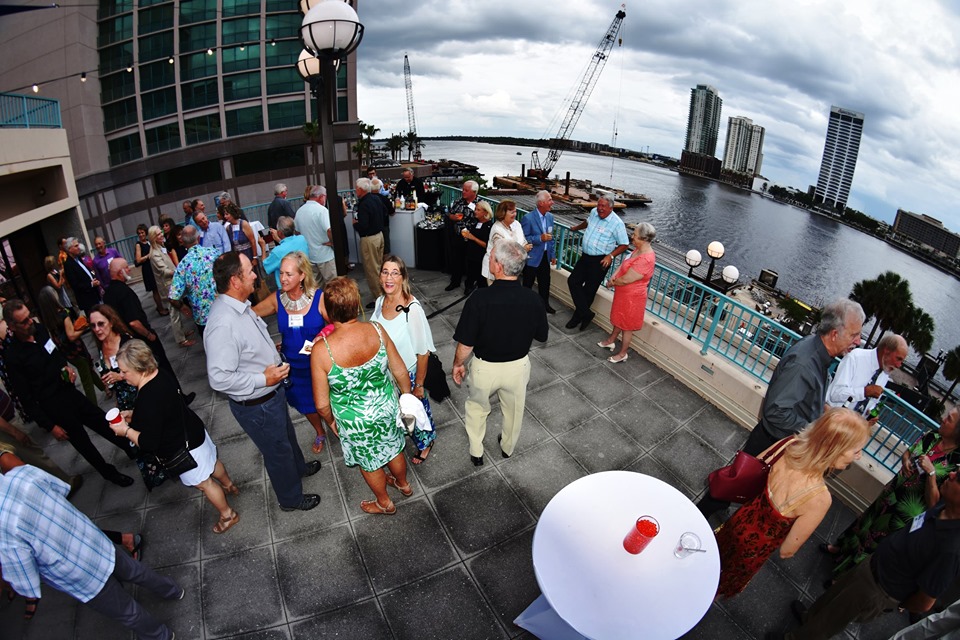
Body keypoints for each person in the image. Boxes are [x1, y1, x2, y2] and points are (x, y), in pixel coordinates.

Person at [697, 298, 865, 518]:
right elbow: (776, 412)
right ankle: (694, 519)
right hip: (771, 443)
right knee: (728, 490)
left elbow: (801, 397)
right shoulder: (805, 364)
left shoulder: (817, 351)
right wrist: (816, 431)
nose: (858, 341)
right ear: (834, 334)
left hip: (777, 440)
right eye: (854, 335)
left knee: (735, 489)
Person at [0, 452, 183, 637]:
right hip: (94, 540)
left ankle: (162, 635)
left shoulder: (4, 533)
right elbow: (61, 488)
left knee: (128, 612)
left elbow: (26, 579)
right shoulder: (23, 475)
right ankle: (173, 591)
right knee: (136, 571)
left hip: (80, 575)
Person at [777, 470, 960, 640]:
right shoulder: (944, 507)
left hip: (878, 589)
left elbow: (924, 602)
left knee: (830, 620)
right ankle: (808, 618)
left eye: (958, 478)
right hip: (872, 565)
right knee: (832, 597)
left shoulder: (951, 549)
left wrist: (890, 601)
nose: (951, 474)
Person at [205, 251, 321, 511]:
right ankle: (290, 499)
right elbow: (219, 378)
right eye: (249, 272)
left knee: (286, 437)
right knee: (277, 452)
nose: (256, 276)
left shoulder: (240, 305)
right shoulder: (223, 323)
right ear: (235, 281)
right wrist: (263, 378)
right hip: (258, 405)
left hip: (271, 395)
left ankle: (298, 468)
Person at [715, 408, 870, 598]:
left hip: (738, 521)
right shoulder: (819, 499)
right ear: (834, 448)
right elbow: (787, 551)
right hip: (751, 550)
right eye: (856, 450)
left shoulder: (790, 443)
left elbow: (758, 462)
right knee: (716, 584)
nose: (859, 456)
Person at [112, 340, 240, 534]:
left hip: (184, 449)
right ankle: (229, 485)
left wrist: (126, 431)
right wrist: (134, 415)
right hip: (195, 432)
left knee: (204, 484)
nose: (121, 376)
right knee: (212, 462)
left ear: (139, 369)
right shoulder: (160, 373)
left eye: (124, 371)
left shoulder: (147, 398)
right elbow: (163, 411)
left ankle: (228, 515)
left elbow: (149, 442)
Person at [1, 299, 134, 486]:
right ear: (12, 326)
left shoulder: (39, 330)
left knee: (100, 420)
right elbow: (26, 400)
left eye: (29, 316)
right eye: (24, 322)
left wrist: (65, 366)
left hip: (69, 391)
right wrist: (50, 426)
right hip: (53, 406)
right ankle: (109, 473)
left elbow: (55, 353)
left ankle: (128, 447)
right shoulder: (13, 357)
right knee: (83, 443)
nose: (30, 322)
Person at [311, 276, 412, 515]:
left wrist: (332, 423)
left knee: (370, 462)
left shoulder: (322, 350)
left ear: (329, 311)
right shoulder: (376, 330)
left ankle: (384, 503)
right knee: (394, 448)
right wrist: (406, 399)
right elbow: (399, 370)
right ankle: (403, 484)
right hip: (386, 407)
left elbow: (322, 404)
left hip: (355, 422)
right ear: (356, 304)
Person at [822, 407, 960, 577]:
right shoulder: (932, 436)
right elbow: (908, 452)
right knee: (867, 521)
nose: (943, 419)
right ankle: (841, 549)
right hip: (892, 492)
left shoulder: (956, 464)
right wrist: (906, 461)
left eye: (949, 419)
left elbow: (935, 504)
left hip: (905, 511)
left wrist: (931, 473)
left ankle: (844, 575)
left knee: (876, 539)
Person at [452, 240, 549, 465]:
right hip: (518, 368)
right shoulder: (534, 299)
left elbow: (466, 344)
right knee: (514, 411)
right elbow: (542, 336)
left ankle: (477, 451)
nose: (490, 259)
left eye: (492, 256)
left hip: (485, 368)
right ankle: (507, 448)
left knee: (477, 408)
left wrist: (458, 364)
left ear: (499, 266)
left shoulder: (479, 298)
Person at [252, 251, 329, 454]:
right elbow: (250, 315)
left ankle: (338, 428)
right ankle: (320, 431)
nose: (283, 278)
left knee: (326, 403)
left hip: (318, 366)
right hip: (292, 368)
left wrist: (320, 338)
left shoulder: (319, 298)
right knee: (305, 404)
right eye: (281, 273)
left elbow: (337, 326)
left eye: (288, 274)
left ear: (302, 275)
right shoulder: (277, 299)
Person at [371, 255, 438, 464]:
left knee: (415, 413)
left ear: (403, 277)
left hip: (408, 375)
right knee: (398, 413)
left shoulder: (412, 309)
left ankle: (426, 443)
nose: (389, 278)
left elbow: (423, 352)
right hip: (387, 373)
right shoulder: (380, 301)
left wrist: (419, 385)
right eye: (385, 272)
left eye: (394, 273)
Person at [103, 258, 192, 402]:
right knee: (162, 369)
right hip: (142, 339)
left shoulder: (107, 294)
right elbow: (134, 322)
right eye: (126, 268)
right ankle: (179, 399)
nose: (129, 270)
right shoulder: (125, 292)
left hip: (129, 341)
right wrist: (149, 335)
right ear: (120, 272)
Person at [565, 195, 630, 331]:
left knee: (589, 291)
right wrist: (576, 228)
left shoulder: (617, 223)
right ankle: (587, 314)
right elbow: (587, 222)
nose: (599, 208)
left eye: (603, 206)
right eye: (598, 205)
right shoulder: (594, 212)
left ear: (611, 208)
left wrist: (610, 256)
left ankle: (578, 317)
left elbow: (624, 244)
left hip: (600, 261)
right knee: (573, 281)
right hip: (585, 256)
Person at [598, 222, 657, 363]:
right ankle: (611, 340)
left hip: (633, 298)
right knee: (619, 318)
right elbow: (624, 264)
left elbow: (626, 279)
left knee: (627, 326)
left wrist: (612, 282)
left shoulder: (646, 259)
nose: (632, 237)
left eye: (635, 235)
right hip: (624, 294)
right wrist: (614, 276)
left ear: (643, 239)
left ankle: (623, 353)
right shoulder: (638, 249)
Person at [36, 285, 103, 405]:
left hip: (65, 351)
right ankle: (93, 405)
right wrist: (85, 327)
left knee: (87, 369)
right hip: (76, 349)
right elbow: (71, 335)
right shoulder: (63, 314)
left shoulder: (48, 317)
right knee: (86, 378)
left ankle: (105, 388)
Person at [826, 333, 908, 414]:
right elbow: (835, 394)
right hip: (832, 416)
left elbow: (872, 403)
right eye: (898, 359)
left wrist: (870, 414)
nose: (898, 365)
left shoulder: (884, 374)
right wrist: (864, 392)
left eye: (902, 362)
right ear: (887, 350)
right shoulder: (856, 357)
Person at [169, 225, 220, 336]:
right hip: (222, 309)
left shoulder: (182, 265)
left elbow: (173, 298)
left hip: (202, 317)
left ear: (183, 242)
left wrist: (182, 307)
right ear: (198, 238)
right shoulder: (214, 253)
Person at [149, 226, 194, 347]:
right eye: (158, 234)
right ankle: (181, 340)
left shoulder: (161, 248)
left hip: (172, 282)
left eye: (161, 233)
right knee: (174, 312)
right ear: (153, 237)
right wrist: (179, 271)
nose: (162, 235)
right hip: (167, 285)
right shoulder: (154, 254)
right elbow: (164, 271)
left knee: (177, 310)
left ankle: (181, 332)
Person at [89, 304, 140, 412]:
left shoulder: (127, 342)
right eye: (93, 325)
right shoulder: (101, 346)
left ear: (111, 322)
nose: (97, 329)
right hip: (124, 406)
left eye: (101, 324)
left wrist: (120, 376)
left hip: (141, 400)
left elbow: (145, 370)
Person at [520, 190, 557, 313]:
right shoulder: (528, 218)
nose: (552, 202)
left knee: (545, 283)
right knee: (528, 284)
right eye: (550, 200)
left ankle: (544, 305)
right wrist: (539, 238)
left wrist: (553, 254)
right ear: (541, 203)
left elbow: (551, 237)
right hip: (532, 257)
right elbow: (524, 238)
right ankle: (524, 307)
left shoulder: (550, 217)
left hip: (545, 256)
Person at [294, 185, 336, 286]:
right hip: (325, 255)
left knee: (316, 286)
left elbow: (297, 232)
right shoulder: (322, 210)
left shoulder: (299, 211)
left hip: (309, 255)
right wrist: (332, 242)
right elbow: (329, 230)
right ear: (321, 197)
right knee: (333, 285)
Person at [353, 177, 386, 307]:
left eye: (356, 188)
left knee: (372, 270)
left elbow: (363, 226)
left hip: (369, 239)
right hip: (379, 236)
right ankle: (383, 293)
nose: (355, 190)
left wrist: (355, 224)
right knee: (379, 267)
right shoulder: (376, 198)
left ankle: (379, 299)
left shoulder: (363, 204)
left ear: (361, 189)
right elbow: (385, 213)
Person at [481, 199, 530, 283]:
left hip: (511, 269)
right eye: (512, 212)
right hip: (497, 270)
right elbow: (503, 251)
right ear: (503, 213)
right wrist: (523, 249)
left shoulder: (516, 224)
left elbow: (523, 240)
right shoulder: (496, 229)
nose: (515, 214)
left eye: (515, 211)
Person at [445, 180, 480, 292]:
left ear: (474, 192)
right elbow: (450, 214)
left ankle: (469, 285)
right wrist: (453, 217)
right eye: (463, 189)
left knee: (471, 263)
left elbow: (485, 218)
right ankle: (455, 282)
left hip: (472, 238)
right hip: (458, 236)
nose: (463, 192)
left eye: (466, 190)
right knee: (456, 260)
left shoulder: (480, 204)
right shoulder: (458, 201)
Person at [264, 216, 309, 288]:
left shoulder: (277, 251)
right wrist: (279, 239)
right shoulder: (302, 239)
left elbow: (265, 266)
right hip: (304, 281)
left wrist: (262, 246)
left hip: (287, 287)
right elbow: (289, 247)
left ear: (280, 233)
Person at [63, 236, 102, 316]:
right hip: (87, 299)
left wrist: (94, 277)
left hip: (94, 294)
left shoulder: (79, 258)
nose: (79, 247)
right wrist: (91, 284)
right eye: (76, 246)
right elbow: (75, 285)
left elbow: (88, 271)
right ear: (69, 249)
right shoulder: (68, 265)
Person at [135, 224, 168, 316]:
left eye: (142, 232)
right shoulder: (138, 245)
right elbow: (138, 260)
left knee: (159, 286)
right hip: (148, 269)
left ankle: (161, 306)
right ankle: (160, 308)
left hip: (154, 266)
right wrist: (148, 256)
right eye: (139, 233)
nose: (141, 235)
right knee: (155, 289)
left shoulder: (149, 242)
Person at [461, 200, 493, 293]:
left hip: (481, 257)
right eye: (475, 209)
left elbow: (487, 245)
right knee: (470, 274)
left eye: (478, 210)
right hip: (471, 255)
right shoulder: (475, 223)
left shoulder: (490, 227)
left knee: (481, 279)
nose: (475, 211)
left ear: (485, 212)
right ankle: (469, 287)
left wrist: (473, 238)